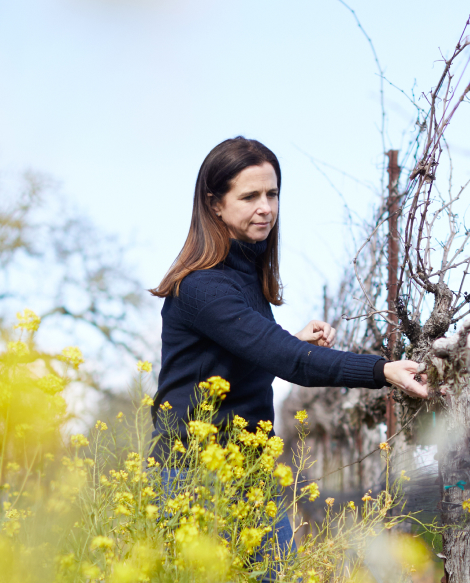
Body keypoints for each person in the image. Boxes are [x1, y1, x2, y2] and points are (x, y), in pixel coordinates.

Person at [150, 136, 428, 451]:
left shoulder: (245, 275)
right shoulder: (202, 287)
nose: (265, 208)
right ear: (215, 204)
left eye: (272, 194)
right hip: (194, 472)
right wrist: (382, 370)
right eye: (249, 197)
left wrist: (293, 341)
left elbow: (244, 363)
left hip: (244, 469)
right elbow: (289, 361)